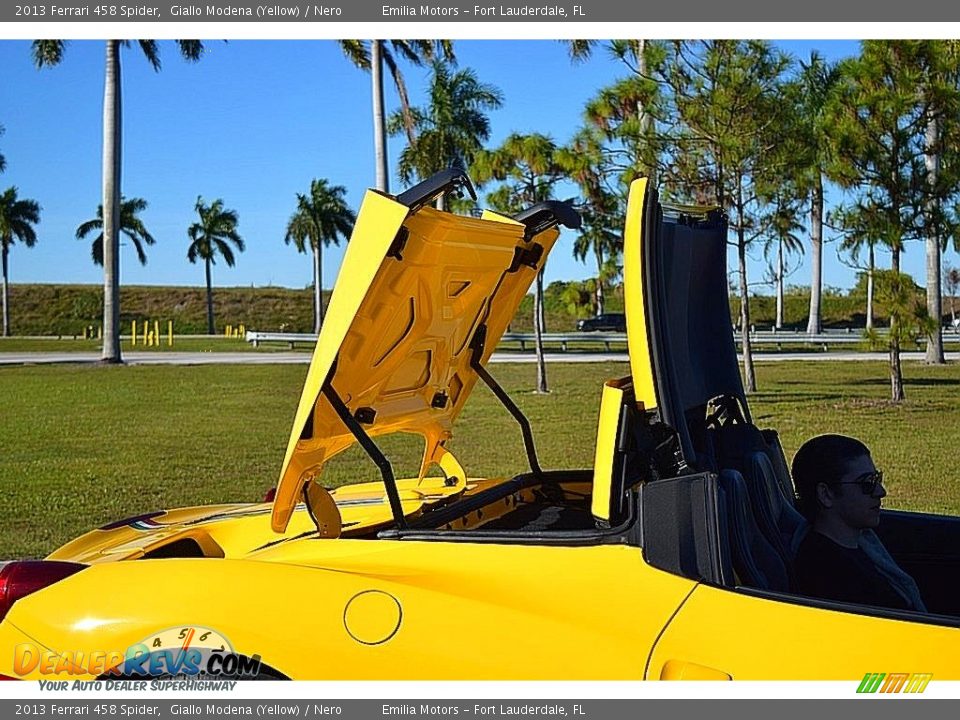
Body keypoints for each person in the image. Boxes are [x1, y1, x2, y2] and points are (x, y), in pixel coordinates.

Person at [791, 434, 925, 612]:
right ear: (826, 494)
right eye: (867, 483)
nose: (881, 491)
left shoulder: (860, 545)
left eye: (877, 479)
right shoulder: (830, 574)